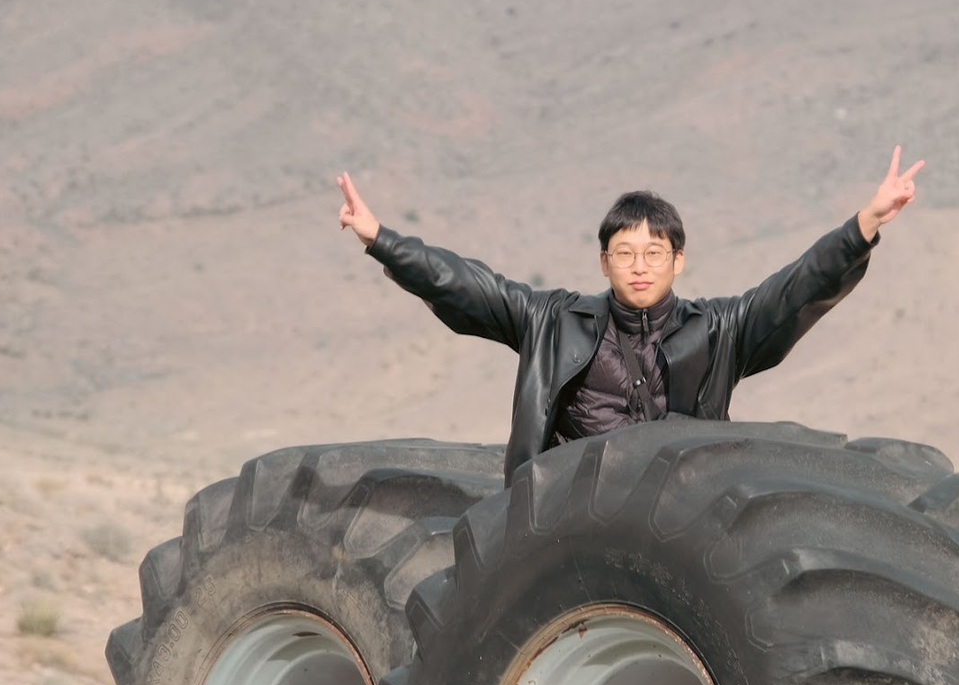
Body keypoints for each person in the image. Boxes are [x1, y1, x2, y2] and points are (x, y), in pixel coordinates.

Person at [336, 147, 924, 484]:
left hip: (680, 515)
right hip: (564, 513)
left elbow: (795, 289)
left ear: (678, 260)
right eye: (624, 253)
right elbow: (465, 284)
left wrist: (864, 225)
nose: (639, 266)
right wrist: (380, 239)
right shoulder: (553, 322)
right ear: (604, 261)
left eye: (653, 253)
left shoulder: (719, 330)